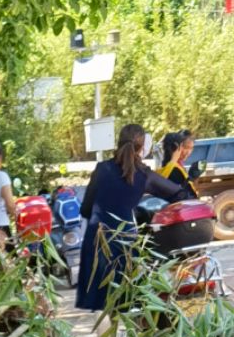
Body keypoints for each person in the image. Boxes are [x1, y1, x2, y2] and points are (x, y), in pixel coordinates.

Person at [76, 124, 180, 313]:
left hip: (97, 240)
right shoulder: (144, 175)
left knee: (101, 307)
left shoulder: (102, 169)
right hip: (125, 242)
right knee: (128, 301)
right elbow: (178, 194)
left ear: (119, 142)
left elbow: (85, 209)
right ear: (142, 147)